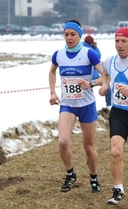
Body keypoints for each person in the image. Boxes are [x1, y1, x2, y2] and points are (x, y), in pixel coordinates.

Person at [48, 20, 103, 193]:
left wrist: (92, 83)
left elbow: (106, 75)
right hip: (68, 105)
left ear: (79, 35)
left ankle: (94, 178)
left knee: (88, 148)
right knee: (62, 142)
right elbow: (51, 71)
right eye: (66, 34)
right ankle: (70, 173)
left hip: (87, 105)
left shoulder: (89, 54)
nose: (69, 38)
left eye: (73, 34)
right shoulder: (58, 55)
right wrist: (52, 92)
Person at [99, 27, 128, 205]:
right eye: (117, 41)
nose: (120, 45)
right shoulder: (110, 61)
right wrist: (103, 86)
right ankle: (118, 189)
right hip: (118, 113)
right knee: (116, 151)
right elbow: (104, 73)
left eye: (124, 41)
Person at [84, 35, 112, 107]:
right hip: (93, 77)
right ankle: (109, 104)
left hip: (84, 77)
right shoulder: (91, 50)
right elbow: (98, 56)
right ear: (92, 42)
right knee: (106, 84)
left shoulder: (80, 46)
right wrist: (95, 47)